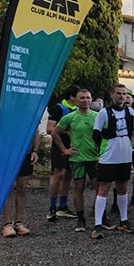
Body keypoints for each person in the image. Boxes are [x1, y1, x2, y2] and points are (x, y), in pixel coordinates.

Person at [52, 89, 102, 235]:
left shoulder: (98, 116)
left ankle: (100, 216)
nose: (85, 100)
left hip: (94, 158)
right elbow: (55, 133)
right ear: (77, 100)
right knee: (78, 187)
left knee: (99, 188)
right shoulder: (70, 117)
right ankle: (81, 219)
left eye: (88, 97)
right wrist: (64, 149)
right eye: (82, 98)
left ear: (91, 99)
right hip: (77, 158)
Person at [92, 84, 134, 237]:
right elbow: (96, 134)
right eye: (118, 93)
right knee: (104, 187)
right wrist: (105, 147)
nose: (121, 97)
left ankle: (124, 220)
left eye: (124, 94)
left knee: (123, 186)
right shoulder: (104, 112)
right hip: (109, 155)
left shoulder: (131, 112)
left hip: (125, 154)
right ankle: (98, 223)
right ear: (112, 95)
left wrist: (130, 148)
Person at [45, 84, 79, 221]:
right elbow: (49, 129)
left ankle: (63, 207)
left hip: (74, 146)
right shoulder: (58, 108)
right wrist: (68, 132)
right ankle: (52, 207)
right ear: (72, 97)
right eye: (79, 97)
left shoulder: (77, 110)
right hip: (60, 145)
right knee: (58, 174)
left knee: (68, 176)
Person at [1, 131, 40, 237]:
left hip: (26, 154)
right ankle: (7, 224)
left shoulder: (31, 114)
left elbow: (36, 132)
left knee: (22, 187)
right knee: (7, 188)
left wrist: (35, 151)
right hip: (7, 153)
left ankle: (18, 222)